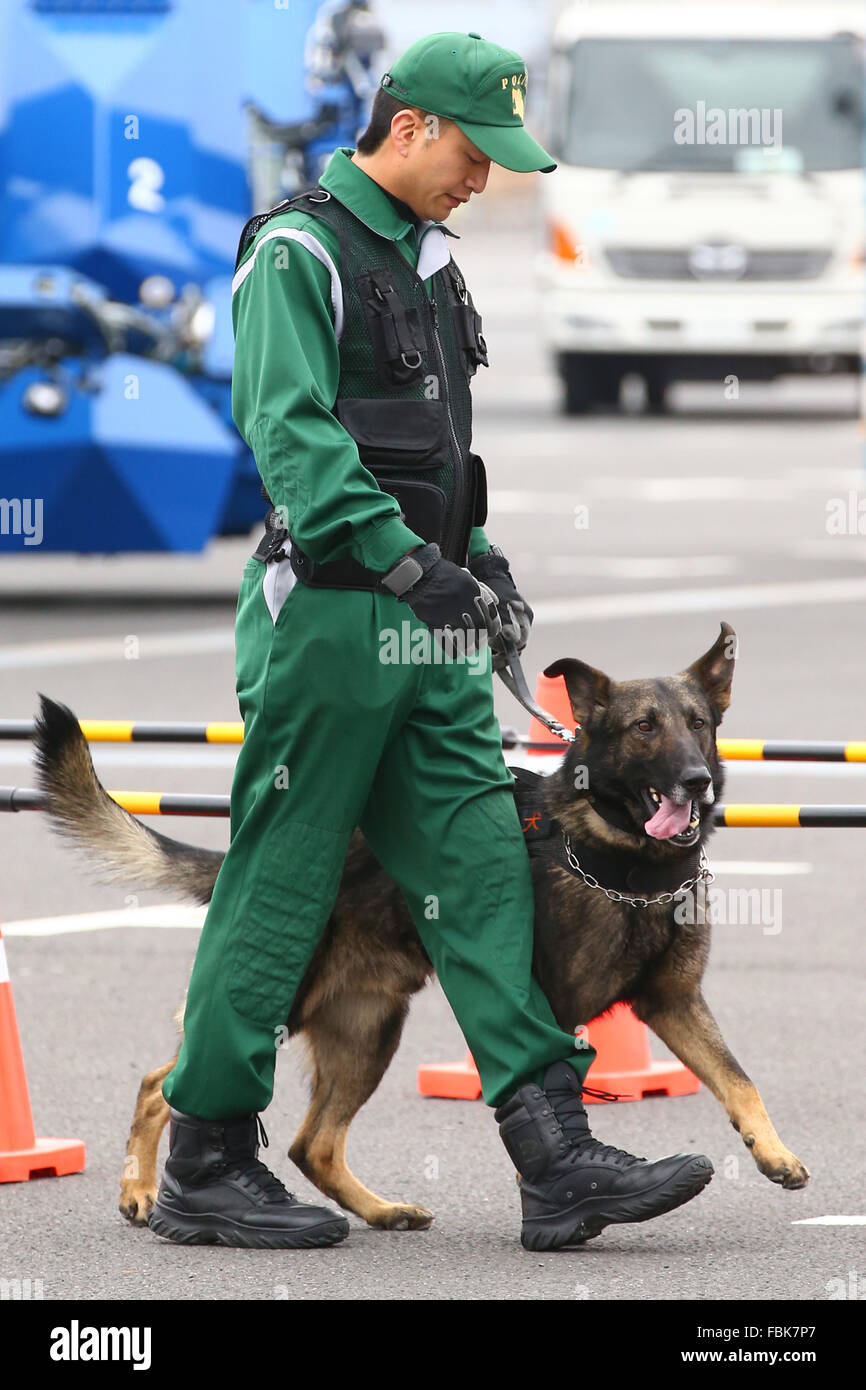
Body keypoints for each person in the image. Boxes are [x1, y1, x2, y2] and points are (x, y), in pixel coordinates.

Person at [149, 31, 713, 1252]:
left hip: (429, 627)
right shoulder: (298, 253)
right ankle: (203, 1155)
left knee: (478, 863)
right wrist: (411, 564)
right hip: (338, 620)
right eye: (473, 152)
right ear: (406, 127)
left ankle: (552, 1155)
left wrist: (481, 565)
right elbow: (293, 438)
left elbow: (441, 459)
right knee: (287, 873)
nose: (483, 180)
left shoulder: (427, 264)